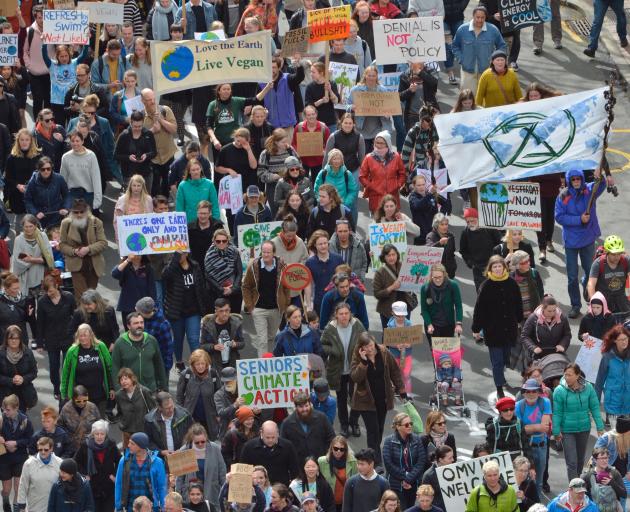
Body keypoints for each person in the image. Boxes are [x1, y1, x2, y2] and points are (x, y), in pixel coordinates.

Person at [555, 167, 606, 318]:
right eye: (573, 179)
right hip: (571, 241)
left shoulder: (589, 190)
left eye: (578, 179)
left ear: (582, 179)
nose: (576, 181)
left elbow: (601, 185)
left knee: (591, 272)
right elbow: (559, 217)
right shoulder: (563, 196)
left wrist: (600, 176)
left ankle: (593, 302)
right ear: (569, 181)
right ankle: (575, 305)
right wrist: (579, 220)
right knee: (572, 276)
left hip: (588, 238)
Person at [472, 255, 523, 398]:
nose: (498, 269)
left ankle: (502, 377)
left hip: (509, 329)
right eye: (494, 267)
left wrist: (519, 320)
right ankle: (499, 386)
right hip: (493, 330)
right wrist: (476, 329)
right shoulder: (486, 286)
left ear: (504, 267)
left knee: (506, 356)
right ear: (490, 269)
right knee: (497, 361)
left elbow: (518, 303)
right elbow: (479, 309)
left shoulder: (512, 283)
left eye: (500, 266)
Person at [351, 334, 406, 466]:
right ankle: (376, 461)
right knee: (373, 430)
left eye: (371, 345)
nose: (370, 349)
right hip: (365, 401)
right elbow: (355, 377)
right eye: (366, 347)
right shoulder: (358, 356)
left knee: (380, 428)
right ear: (361, 348)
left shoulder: (383, 352)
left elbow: (394, 371)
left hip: (382, 398)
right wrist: (364, 362)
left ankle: (373, 454)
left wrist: (401, 389)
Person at [206, 83, 272, 189]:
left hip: (236, 142)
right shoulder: (213, 105)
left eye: (228, 89)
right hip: (219, 143)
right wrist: (214, 140)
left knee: (237, 169)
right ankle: (218, 196)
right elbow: (208, 125)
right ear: (219, 91)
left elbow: (255, 99)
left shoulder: (237, 101)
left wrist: (267, 88)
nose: (227, 91)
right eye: (224, 89)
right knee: (219, 171)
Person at [553, 363, 605, 481]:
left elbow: (595, 407)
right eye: (565, 375)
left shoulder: (589, 388)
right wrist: (556, 431)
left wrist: (600, 427)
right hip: (567, 430)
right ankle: (574, 486)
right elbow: (557, 413)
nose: (567, 377)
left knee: (580, 459)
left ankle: (578, 482)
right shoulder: (559, 391)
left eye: (570, 375)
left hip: (584, 429)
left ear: (578, 376)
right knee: (571, 462)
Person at [243, 241, 290, 357]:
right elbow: (246, 286)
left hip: (276, 308)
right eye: (264, 252)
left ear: (273, 253)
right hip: (258, 308)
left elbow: (287, 286)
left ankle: (270, 361)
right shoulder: (254, 266)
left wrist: (286, 303)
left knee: (271, 337)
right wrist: (250, 306)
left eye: (268, 252)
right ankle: (263, 366)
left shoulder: (282, 266)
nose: (266, 255)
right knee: (262, 339)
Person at [163, 251, 208, 369]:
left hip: (193, 311)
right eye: (176, 254)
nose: (179, 256)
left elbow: (201, 286)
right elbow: (165, 276)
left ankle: (197, 365)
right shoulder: (171, 267)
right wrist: (174, 259)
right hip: (176, 311)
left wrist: (204, 307)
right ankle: (179, 362)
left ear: (187, 253)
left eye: (182, 253)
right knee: (178, 339)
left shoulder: (195, 266)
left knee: (194, 339)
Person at [58, 199, 108, 300]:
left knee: (91, 295)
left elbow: (103, 243)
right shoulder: (66, 224)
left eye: (82, 212)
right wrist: (74, 251)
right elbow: (62, 245)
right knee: (82, 297)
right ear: (71, 212)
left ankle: (91, 315)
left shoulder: (96, 222)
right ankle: (82, 315)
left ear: (87, 211)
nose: (79, 215)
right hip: (76, 265)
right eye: (76, 212)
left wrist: (88, 249)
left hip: (94, 265)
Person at [60, 324, 113, 416]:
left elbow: (110, 368)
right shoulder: (72, 351)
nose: (83, 338)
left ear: (91, 335)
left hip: (100, 395)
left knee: (99, 425)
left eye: (85, 335)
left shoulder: (101, 347)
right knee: (83, 426)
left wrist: (112, 388)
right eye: (80, 335)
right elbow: (65, 374)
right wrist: (64, 394)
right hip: (80, 398)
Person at [36, 276, 75, 400]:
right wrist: (39, 343)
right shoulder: (42, 302)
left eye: (51, 291)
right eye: (47, 292)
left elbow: (75, 315)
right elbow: (40, 323)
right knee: (53, 366)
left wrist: (77, 333)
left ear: (57, 286)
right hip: (51, 338)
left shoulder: (68, 297)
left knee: (67, 365)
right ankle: (56, 387)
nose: (49, 294)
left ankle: (66, 388)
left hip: (67, 337)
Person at [452, 6, 507, 93]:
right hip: (467, 71)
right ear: (473, 16)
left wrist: (497, 61)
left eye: (483, 18)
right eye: (478, 17)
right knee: (468, 99)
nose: (480, 20)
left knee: (486, 98)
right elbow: (455, 46)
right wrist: (461, 59)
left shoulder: (493, 30)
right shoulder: (462, 29)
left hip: (487, 71)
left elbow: (502, 46)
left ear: (486, 18)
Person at [111, 312, 168, 393]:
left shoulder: (151, 340)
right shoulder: (120, 343)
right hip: (129, 391)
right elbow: (115, 368)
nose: (139, 325)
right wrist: (118, 390)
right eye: (136, 323)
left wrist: (164, 388)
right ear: (128, 326)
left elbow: (159, 365)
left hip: (150, 390)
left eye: (141, 322)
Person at [514, 378, 552, 495]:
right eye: (528, 391)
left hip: (541, 447)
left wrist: (529, 428)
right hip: (526, 448)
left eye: (534, 391)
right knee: (523, 479)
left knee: (539, 481)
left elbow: (545, 427)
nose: (531, 394)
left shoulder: (545, 402)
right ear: (524, 393)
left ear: (539, 392)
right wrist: (537, 427)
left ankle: (537, 504)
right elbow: (520, 430)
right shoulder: (518, 406)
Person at [74, 420, 121, 512]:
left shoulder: (111, 444)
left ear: (105, 434)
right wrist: (84, 475)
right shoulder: (85, 445)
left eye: (102, 434)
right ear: (93, 434)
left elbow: (120, 460)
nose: (99, 437)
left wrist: (114, 475)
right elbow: (76, 462)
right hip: (92, 486)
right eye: (97, 434)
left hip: (108, 487)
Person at [174, 424, 226, 508]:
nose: (200, 444)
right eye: (197, 442)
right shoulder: (184, 450)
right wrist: (178, 497)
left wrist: (225, 492)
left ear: (206, 438)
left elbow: (222, 472)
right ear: (192, 440)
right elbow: (179, 479)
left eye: (203, 441)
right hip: (190, 495)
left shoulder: (215, 449)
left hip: (212, 493)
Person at [382, 413, 426, 509]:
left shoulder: (417, 439)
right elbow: (388, 464)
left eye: (411, 423)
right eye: (406, 425)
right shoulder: (389, 441)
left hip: (413, 483)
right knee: (400, 508)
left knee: (410, 508)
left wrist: (409, 478)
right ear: (398, 426)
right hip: (396, 484)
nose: (410, 426)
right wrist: (404, 476)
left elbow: (421, 461)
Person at [114, 432, 167, 512]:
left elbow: (162, 487)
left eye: (132, 444)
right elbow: (119, 484)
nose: (128, 446)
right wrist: (118, 507)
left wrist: (163, 507)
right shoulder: (124, 461)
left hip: (151, 508)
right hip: (130, 507)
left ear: (141, 446)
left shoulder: (157, 462)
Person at [176, 350, 220, 440]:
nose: (200, 367)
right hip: (190, 417)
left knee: (207, 442)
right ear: (193, 364)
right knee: (191, 442)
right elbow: (179, 396)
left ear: (207, 363)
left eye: (203, 364)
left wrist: (218, 414)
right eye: (197, 364)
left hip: (209, 418)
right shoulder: (186, 374)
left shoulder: (213, 374)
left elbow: (219, 395)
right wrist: (180, 413)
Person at [347, 68, 393, 154]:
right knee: (363, 155)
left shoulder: (383, 90)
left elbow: (389, 108)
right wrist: (351, 107)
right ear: (365, 76)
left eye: (373, 76)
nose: (371, 78)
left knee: (378, 155)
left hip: (378, 129)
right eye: (369, 75)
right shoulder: (356, 90)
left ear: (377, 77)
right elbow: (347, 105)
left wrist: (388, 113)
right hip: (361, 129)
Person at [240, 420, 300, 486]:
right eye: (267, 437)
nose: (270, 440)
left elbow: (295, 470)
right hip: (257, 489)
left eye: (273, 437)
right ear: (261, 433)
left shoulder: (287, 446)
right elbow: (244, 472)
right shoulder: (249, 447)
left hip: (281, 489)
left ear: (278, 433)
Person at [280, 392, 335, 463]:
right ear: (296, 407)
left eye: (306, 406)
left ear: (310, 404)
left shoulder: (322, 418)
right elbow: (283, 446)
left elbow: (332, 437)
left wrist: (328, 454)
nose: (304, 409)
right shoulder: (286, 424)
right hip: (299, 465)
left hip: (321, 462)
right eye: (301, 407)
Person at [359, 132, 405, 215]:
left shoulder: (396, 157)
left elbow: (402, 174)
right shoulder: (368, 158)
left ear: (387, 143)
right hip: (376, 197)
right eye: (377, 142)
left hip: (393, 196)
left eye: (381, 143)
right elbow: (362, 176)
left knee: (393, 224)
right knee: (378, 223)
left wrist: (397, 185)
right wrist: (371, 186)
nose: (378, 145)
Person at [258, 129, 300, 218]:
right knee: (276, 213)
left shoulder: (290, 150)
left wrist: (292, 173)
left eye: (287, 141)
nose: (286, 144)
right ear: (276, 142)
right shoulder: (266, 154)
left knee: (291, 211)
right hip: (273, 186)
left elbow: (299, 164)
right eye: (283, 142)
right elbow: (261, 173)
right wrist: (274, 176)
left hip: (289, 184)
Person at [0, 394, 32, 511]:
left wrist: (16, 443)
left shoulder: (25, 421)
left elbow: (30, 439)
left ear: (16, 408)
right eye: (4, 409)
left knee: (18, 486)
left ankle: (16, 506)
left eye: (8, 410)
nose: (5, 412)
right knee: (7, 489)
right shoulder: (1, 419)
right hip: (4, 459)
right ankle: (5, 499)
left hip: (20, 457)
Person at [594, 324, 630, 427]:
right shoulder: (607, 357)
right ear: (614, 340)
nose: (624, 342)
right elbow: (599, 381)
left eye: (626, 339)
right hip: (612, 401)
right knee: (614, 434)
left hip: (628, 402)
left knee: (626, 436)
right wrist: (596, 403)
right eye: (621, 339)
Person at [5, 129, 41, 228]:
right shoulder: (12, 158)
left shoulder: (38, 156)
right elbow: (7, 178)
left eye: (27, 140)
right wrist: (17, 185)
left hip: (34, 193)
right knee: (19, 225)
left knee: (35, 223)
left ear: (31, 141)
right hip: (18, 194)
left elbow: (43, 174)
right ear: (18, 141)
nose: (24, 142)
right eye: (22, 140)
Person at [420, 264, 463, 348]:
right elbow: (424, 310)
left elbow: (458, 305)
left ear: (444, 275)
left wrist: (458, 323)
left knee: (447, 353)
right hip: (432, 325)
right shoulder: (425, 288)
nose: (438, 280)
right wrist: (429, 324)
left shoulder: (453, 285)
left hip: (448, 324)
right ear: (431, 276)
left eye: (440, 277)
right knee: (436, 353)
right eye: (435, 277)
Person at [459, 208, 502, 291]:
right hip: (478, 269)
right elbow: (463, 250)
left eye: (472, 221)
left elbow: (500, 243)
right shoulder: (465, 232)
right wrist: (470, 263)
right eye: (468, 222)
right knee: (481, 292)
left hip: (493, 265)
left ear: (478, 218)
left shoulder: (489, 228)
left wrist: (498, 259)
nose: (470, 224)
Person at [16, 436, 62, 512]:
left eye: (46, 450)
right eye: (40, 449)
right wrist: (21, 506)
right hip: (35, 507)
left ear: (51, 449)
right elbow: (23, 485)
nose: (43, 452)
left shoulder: (60, 463)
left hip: (54, 506)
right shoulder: (29, 464)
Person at [373, 244, 414, 329]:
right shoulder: (380, 272)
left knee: (405, 335)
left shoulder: (404, 266)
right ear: (384, 257)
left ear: (397, 255)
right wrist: (392, 287)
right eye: (388, 255)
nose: (391, 258)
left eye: (393, 254)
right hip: (388, 310)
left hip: (404, 307)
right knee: (389, 337)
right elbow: (377, 293)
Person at [24, 156, 71, 229]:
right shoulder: (33, 181)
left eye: (48, 169)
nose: (46, 171)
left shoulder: (59, 178)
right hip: (40, 218)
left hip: (56, 216)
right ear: (39, 169)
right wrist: (35, 212)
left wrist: (65, 208)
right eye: (43, 169)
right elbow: (28, 200)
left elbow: (67, 195)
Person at [11, 215, 53, 296]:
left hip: (41, 274)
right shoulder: (18, 240)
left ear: (35, 226)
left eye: (31, 226)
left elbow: (49, 258)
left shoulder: (42, 236)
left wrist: (31, 259)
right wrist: (39, 259)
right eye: (26, 227)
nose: (28, 229)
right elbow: (18, 259)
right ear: (22, 227)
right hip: (25, 276)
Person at [115, 367, 156, 449]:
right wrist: (122, 425)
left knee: (144, 454)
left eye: (126, 378)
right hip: (127, 432)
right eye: (121, 380)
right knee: (128, 456)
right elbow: (119, 412)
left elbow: (154, 410)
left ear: (132, 379)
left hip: (143, 431)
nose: (123, 381)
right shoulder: (119, 395)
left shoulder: (144, 391)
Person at [587, 235, 630, 315]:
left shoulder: (625, 261)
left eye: (619, 254)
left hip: (621, 299)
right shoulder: (598, 263)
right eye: (613, 254)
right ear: (607, 252)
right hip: (604, 299)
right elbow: (591, 284)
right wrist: (594, 304)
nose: (617, 257)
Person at [203, 230, 243, 313]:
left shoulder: (234, 252)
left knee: (234, 320)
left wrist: (233, 289)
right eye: (218, 241)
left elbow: (239, 272)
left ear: (227, 241)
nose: (221, 243)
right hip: (216, 293)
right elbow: (208, 276)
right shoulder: (209, 255)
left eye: (224, 241)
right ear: (214, 241)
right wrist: (221, 289)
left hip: (234, 292)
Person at [114, 111, 157, 188]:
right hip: (129, 174)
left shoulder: (148, 134)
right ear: (131, 123)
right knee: (131, 199)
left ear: (143, 123)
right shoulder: (124, 135)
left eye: (139, 126)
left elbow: (154, 152)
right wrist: (128, 157)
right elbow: (116, 155)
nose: (137, 129)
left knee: (145, 198)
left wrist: (146, 155)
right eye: (135, 126)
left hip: (145, 174)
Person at [200, 298, 245, 371]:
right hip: (214, 362)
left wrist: (235, 344)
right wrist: (214, 347)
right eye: (221, 311)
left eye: (226, 310)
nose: (224, 313)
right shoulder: (207, 324)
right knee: (217, 382)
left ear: (230, 310)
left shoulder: (236, 323)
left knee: (232, 382)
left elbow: (242, 343)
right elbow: (202, 346)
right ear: (216, 311)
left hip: (232, 362)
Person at [112, 254, 156, 327]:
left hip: (143, 307)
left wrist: (153, 307)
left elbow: (152, 289)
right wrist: (128, 260)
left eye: (139, 254)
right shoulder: (125, 266)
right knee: (129, 330)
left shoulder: (148, 268)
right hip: (127, 307)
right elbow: (114, 274)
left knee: (142, 330)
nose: (137, 256)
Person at [144, 391, 193, 456]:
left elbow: (192, 434)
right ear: (159, 407)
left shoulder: (184, 415)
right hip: (162, 458)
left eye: (172, 406)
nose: (171, 410)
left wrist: (183, 449)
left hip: (183, 455)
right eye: (167, 408)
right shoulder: (150, 420)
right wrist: (160, 452)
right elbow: (148, 442)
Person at [0, 326, 37, 411]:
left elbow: (34, 372)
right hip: (5, 395)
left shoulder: (28, 353)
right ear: (6, 339)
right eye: (11, 338)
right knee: (7, 421)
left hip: (23, 394)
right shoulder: (1, 354)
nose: (14, 341)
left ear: (20, 339)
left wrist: (23, 379)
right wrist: (10, 380)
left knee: (21, 419)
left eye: (16, 338)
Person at [318, 437, 358, 512]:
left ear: (345, 450)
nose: (338, 451)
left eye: (342, 449)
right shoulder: (322, 462)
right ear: (331, 448)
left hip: (346, 502)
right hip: (329, 503)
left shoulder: (353, 462)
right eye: (336, 448)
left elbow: (356, 482)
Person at [581, 446, 626, 511]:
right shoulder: (588, 475)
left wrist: (612, 483)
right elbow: (581, 496)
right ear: (595, 460)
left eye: (606, 458)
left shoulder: (614, 473)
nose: (605, 461)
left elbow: (624, 494)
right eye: (602, 458)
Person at [175, 158, 220, 224]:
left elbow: (215, 205)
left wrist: (216, 221)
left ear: (201, 169)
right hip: (189, 223)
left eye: (197, 169)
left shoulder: (209, 184)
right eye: (193, 170)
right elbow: (179, 207)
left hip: (207, 223)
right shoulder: (182, 186)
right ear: (189, 171)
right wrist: (181, 225)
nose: (196, 172)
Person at [485, 397, 530, 461]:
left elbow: (526, 445)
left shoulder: (518, 423)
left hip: (516, 461)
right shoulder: (493, 426)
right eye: (505, 410)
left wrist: (531, 466)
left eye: (511, 409)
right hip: (499, 461)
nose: (509, 413)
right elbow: (489, 447)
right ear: (500, 411)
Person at [188, 201, 224, 266]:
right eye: (200, 213)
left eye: (205, 213)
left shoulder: (217, 226)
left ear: (210, 213)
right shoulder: (190, 228)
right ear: (197, 213)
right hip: (196, 265)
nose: (202, 216)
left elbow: (224, 244)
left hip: (215, 263)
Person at [420, 445, 454, 511]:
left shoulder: (454, 469)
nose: (453, 460)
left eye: (453, 457)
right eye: (450, 458)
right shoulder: (428, 475)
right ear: (441, 460)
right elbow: (425, 498)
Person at [425, 214, 457, 279]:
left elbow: (452, 253)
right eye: (442, 224)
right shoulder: (430, 236)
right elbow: (428, 251)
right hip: (437, 273)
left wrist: (453, 266)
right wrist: (439, 243)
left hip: (449, 273)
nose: (445, 227)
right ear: (436, 225)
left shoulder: (450, 236)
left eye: (446, 224)